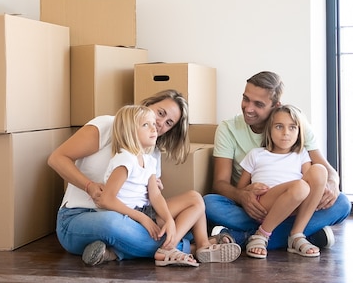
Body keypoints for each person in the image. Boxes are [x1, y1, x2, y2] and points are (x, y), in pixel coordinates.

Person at [48, 89, 240, 265]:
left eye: (168, 123)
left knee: (190, 203)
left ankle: (117, 252)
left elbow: (149, 199)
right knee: (112, 223)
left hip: (132, 215)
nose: (160, 123)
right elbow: (57, 158)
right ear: (148, 104)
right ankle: (191, 248)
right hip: (80, 217)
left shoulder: (151, 153)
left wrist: (165, 217)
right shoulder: (108, 125)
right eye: (161, 113)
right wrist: (88, 185)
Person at [204, 71, 351, 250]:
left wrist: (333, 183)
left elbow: (324, 170)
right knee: (209, 203)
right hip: (253, 208)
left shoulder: (297, 125)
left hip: (296, 204)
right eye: (245, 99)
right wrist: (242, 196)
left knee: (342, 204)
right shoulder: (229, 129)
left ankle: (241, 237)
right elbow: (219, 183)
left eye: (258, 104)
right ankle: (302, 235)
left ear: (275, 106)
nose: (248, 108)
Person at [239, 104, 327, 258]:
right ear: (269, 130)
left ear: (299, 132)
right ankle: (262, 234)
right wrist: (249, 189)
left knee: (320, 171)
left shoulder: (301, 154)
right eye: (279, 127)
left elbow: (311, 183)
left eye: (292, 127)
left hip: (295, 207)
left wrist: (322, 189)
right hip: (265, 203)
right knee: (300, 186)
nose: (286, 133)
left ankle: (296, 234)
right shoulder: (257, 154)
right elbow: (239, 190)